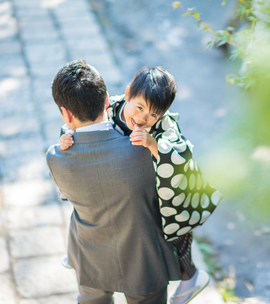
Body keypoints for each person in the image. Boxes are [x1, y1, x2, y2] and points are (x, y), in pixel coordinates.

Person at [59, 66, 221, 304]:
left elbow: (182, 155)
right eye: (140, 107)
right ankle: (78, 255)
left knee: (174, 227)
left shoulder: (163, 128)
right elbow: (84, 126)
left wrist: (154, 145)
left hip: (155, 193)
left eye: (154, 115)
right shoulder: (110, 109)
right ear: (127, 95)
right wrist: (67, 136)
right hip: (115, 183)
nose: (144, 118)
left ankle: (190, 275)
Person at [46, 59, 183, 304]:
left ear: (66, 114)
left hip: (91, 258)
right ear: (108, 100)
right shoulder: (147, 152)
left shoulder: (57, 157)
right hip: (144, 259)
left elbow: (67, 195)